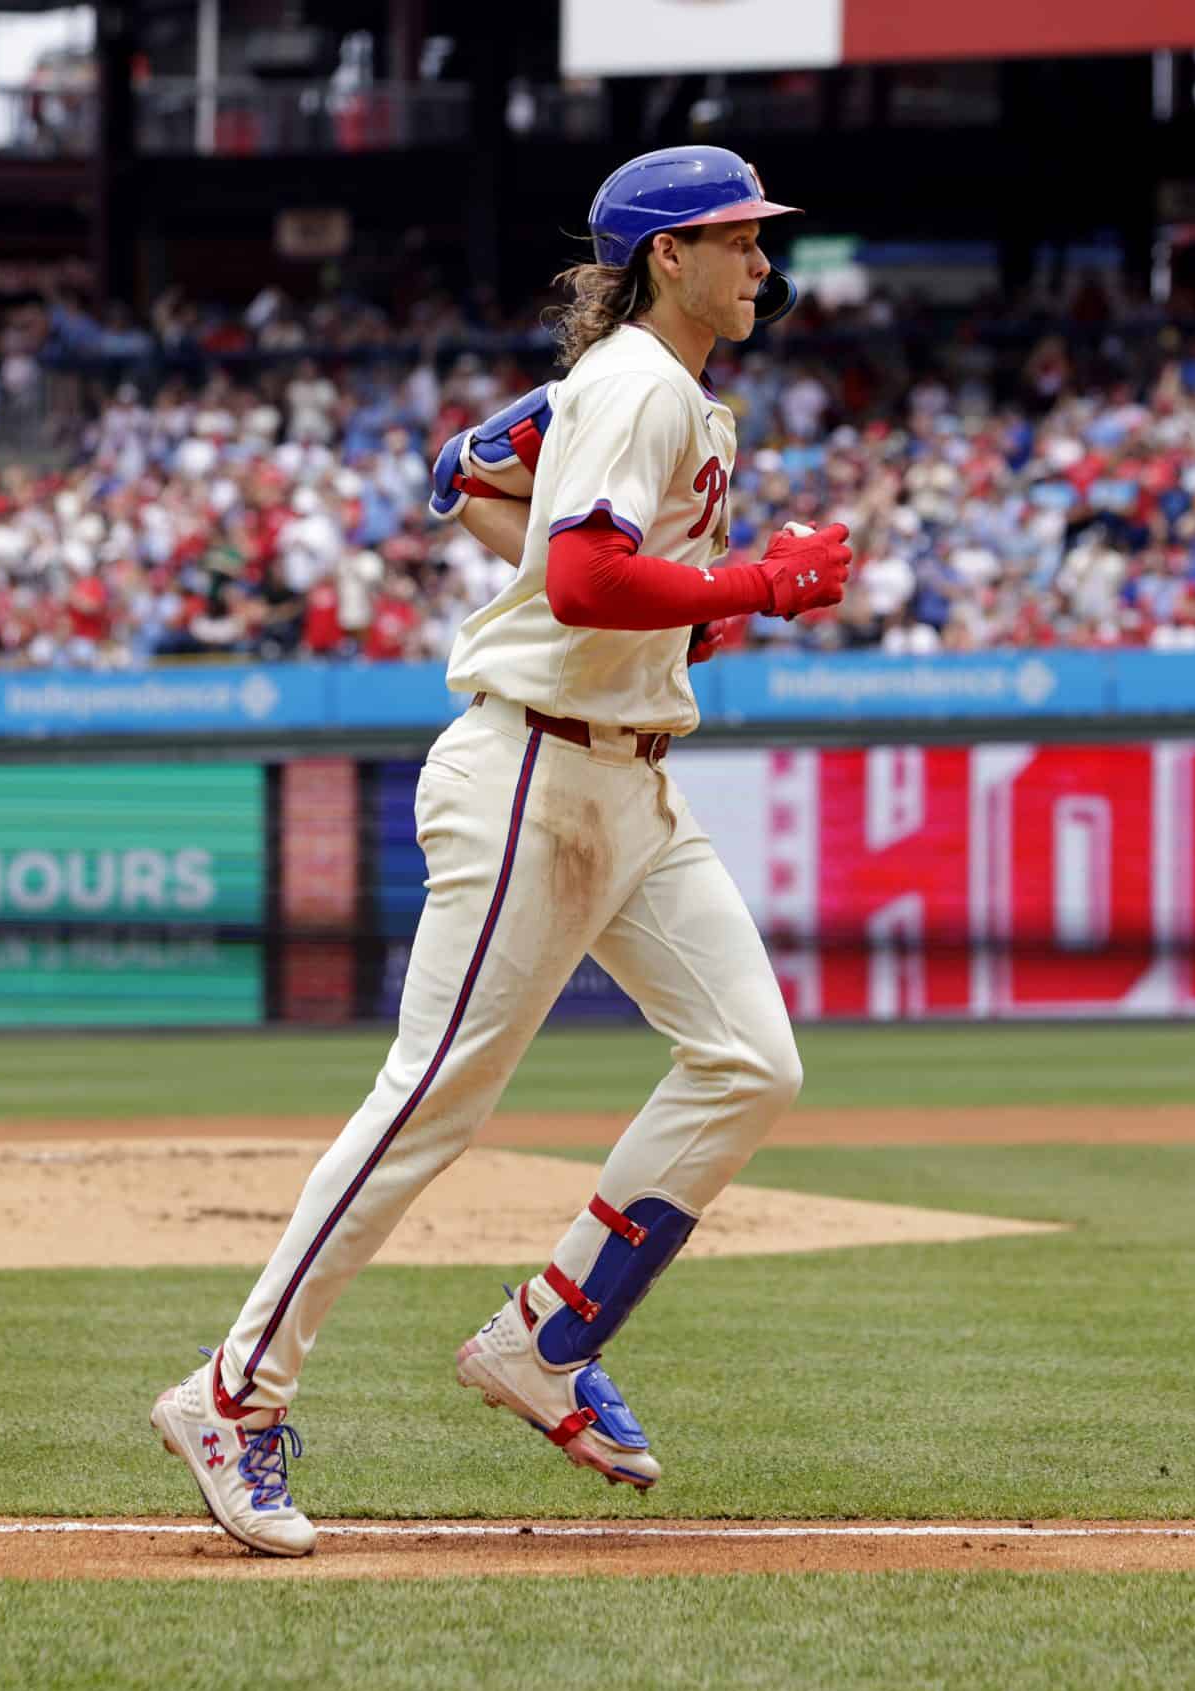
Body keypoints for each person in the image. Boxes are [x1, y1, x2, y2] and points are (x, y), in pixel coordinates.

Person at [148, 145, 846, 1558]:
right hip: (532, 764)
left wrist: (724, 594)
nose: (764, 262)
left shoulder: (676, 405)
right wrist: (758, 582)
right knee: (431, 1102)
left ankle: (547, 1338)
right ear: (666, 255)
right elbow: (586, 579)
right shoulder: (641, 384)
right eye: (739, 238)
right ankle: (233, 1393)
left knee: (751, 1060)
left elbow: (506, 502)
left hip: (631, 779)